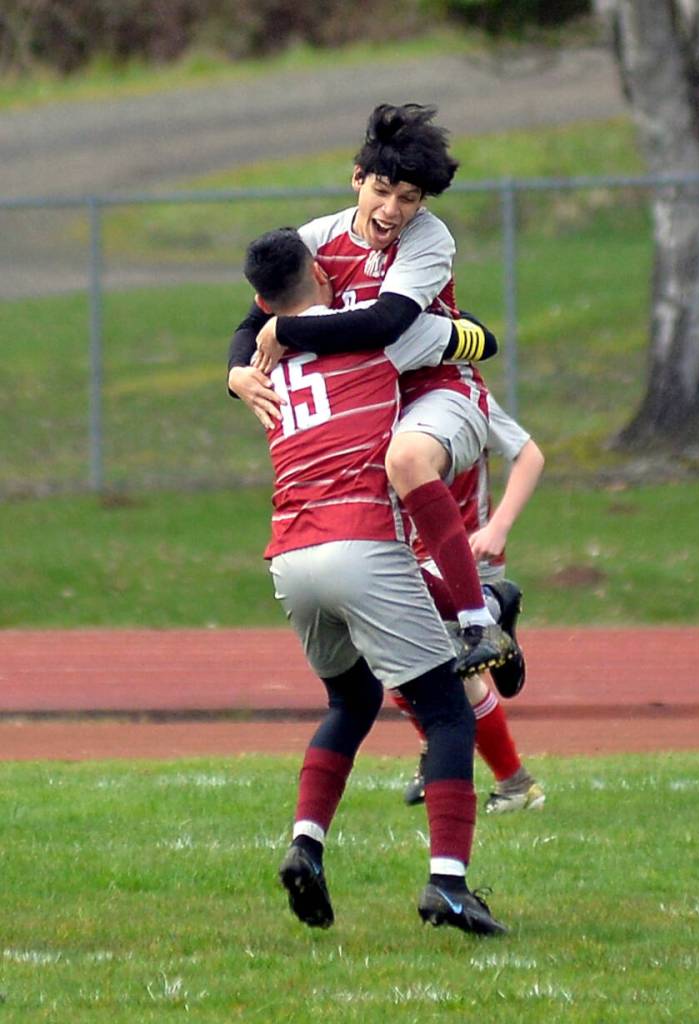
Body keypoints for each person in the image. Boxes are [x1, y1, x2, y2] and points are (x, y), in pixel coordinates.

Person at [242, 226, 508, 936]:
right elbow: (478, 341)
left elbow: (259, 339)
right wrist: (454, 327)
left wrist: (249, 349)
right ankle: (448, 885)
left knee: (351, 699)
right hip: (358, 537)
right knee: (449, 711)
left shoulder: (262, 367)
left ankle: (306, 845)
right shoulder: (377, 336)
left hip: (289, 557)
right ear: (323, 281)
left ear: (262, 302)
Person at [227, 103, 506, 679]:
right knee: (371, 567)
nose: (393, 210)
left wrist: (290, 329)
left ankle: (479, 622)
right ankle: (491, 614)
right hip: (372, 406)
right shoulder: (319, 238)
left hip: (439, 393)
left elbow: (385, 325)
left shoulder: (427, 239)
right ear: (358, 178)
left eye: (410, 198)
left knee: (404, 459)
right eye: (383, 191)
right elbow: (252, 320)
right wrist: (235, 372)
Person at [395, 395, 547, 812]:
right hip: (412, 556)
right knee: (393, 660)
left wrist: (498, 527)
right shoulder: (379, 388)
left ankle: (514, 783)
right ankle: (441, 748)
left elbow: (529, 455)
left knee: (443, 670)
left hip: (466, 558)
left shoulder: (461, 394)